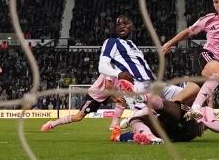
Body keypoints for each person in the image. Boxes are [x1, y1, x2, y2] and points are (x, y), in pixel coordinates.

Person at [41, 15, 199, 133]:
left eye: (125, 23)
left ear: (132, 27)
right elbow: (109, 84)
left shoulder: (131, 48)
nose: (121, 26)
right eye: (118, 24)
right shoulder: (112, 55)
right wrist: (118, 93)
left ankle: (117, 126)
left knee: (133, 103)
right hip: (99, 93)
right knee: (79, 116)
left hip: (134, 85)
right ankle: (52, 123)